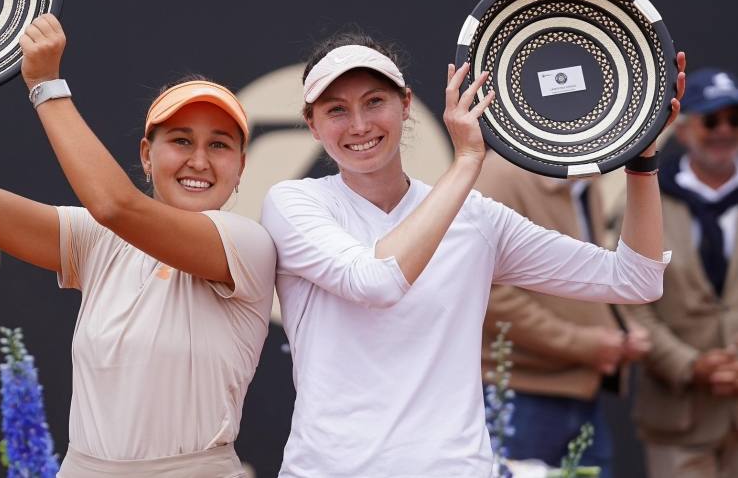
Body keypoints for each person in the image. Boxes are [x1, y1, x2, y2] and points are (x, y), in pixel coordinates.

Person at [0, 0, 276, 478]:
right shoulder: (100, 239)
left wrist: (46, 85)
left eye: (219, 145)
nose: (199, 160)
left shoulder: (245, 244)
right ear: (147, 155)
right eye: (181, 141)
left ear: (241, 167)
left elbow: (114, 205)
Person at [259, 31, 685, 477]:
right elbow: (378, 279)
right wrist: (467, 161)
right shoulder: (294, 203)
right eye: (336, 111)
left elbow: (636, 279)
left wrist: (642, 159)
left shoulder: (476, 218)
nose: (360, 125)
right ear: (312, 124)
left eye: (374, 102)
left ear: (405, 105)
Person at [477, 152, 652, 478]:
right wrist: (584, 343)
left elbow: (592, 269)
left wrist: (622, 330)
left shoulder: (583, 173)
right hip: (521, 394)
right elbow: (485, 289)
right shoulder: (501, 173)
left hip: (583, 389)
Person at [626, 67, 738, 478]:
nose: (724, 131)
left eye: (734, 119)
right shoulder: (647, 200)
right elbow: (630, 301)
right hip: (678, 417)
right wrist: (690, 364)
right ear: (686, 130)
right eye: (711, 120)